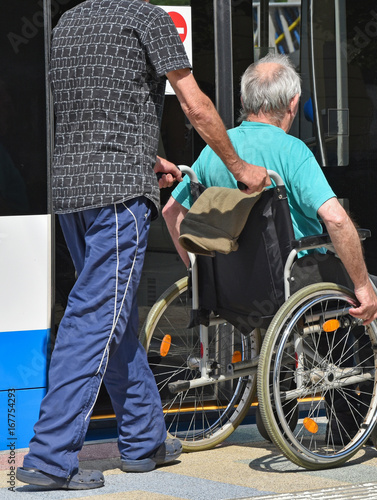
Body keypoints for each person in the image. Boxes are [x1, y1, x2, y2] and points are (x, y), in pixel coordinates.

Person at [17, 0, 270, 492]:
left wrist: (143, 155)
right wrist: (240, 169)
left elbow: (84, 111)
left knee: (111, 315)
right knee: (95, 317)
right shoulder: (148, 18)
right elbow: (194, 105)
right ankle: (49, 457)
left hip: (70, 192)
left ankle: (144, 438)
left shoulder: (69, 20)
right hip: (115, 196)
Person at [163, 53, 377, 440]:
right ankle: (356, 421)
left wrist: (198, 270)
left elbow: (172, 212)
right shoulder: (292, 152)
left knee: (299, 304)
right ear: (291, 104)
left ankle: (280, 415)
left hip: (229, 290)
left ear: (245, 102)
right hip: (288, 284)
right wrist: (361, 286)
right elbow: (335, 219)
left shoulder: (215, 151)